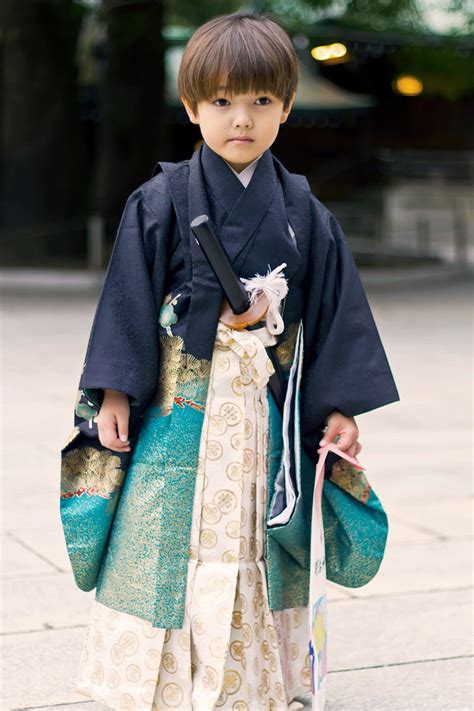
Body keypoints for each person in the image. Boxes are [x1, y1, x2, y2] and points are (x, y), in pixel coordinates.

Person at [61, 12, 399, 711]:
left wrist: (336, 407)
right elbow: (125, 299)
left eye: (260, 101)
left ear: (286, 106)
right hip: (176, 412)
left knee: (254, 536)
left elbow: (336, 315)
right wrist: (115, 392)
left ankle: (257, 679)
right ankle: (159, 681)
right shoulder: (159, 201)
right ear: (190, 107)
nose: (240, 118)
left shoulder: (306, 213)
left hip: (263, 418)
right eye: (220, 102)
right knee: (161, 537)